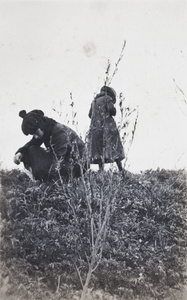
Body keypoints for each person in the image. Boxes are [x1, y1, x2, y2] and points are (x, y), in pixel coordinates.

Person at [14, 109, 86, 182]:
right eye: (33, 134)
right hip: (65, 162)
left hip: (78, 164)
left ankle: (50, 181)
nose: (35, 136)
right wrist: (20, 153)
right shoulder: (45, 129)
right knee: (30, 150)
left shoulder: (58, 131)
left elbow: (58, 159)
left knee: (55, 168)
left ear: (41, 126)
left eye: (35, 132)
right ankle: (35, 178)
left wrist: (49, 182)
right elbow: (31, 144)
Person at [87, 85, 125, 171]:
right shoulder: (107, 98)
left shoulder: (94, 101)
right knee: (115, 147)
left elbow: (89, 115)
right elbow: (112, 110)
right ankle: (121, 169)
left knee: (99, 148)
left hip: (95, 128)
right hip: (108, 127)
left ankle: (101, 170)